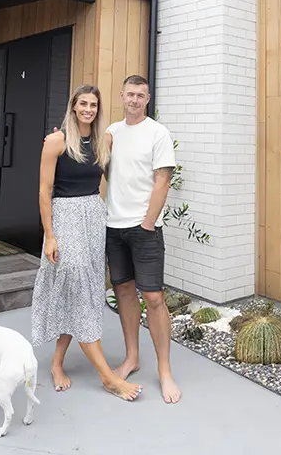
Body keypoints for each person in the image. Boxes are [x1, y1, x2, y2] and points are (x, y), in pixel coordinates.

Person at [30, 84, 143, 402]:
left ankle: (56, 363)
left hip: (93, 217)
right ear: (73, 106)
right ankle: (108, 377)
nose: (88, 109)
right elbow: (44, 191)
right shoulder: (56, 141)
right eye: (83, 104)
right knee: (77, 286)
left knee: (80, 292)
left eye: (93, 105)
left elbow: (123, 171)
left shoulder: (104, 140)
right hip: (65, 217)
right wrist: (50, 236)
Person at [104, 74, 181, 404]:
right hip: (113, 226)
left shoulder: (157, 133)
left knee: (153, 298)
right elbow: (93, 162)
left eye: (140, 95)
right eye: (130, 94)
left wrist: (148, 222)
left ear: (147, 99)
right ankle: (132, 358)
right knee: (123, 292)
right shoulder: (111, 133)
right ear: (121, 96)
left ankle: (164, 370)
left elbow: (163, 180)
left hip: (144, 228)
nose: (134, 99)